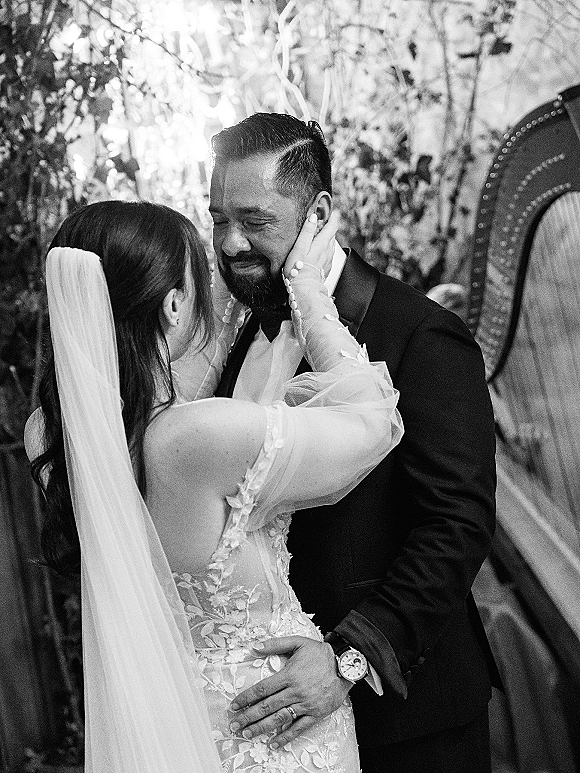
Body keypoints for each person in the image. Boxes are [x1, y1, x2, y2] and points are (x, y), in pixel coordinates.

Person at [24, 200, 403, 773]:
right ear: (174, 305)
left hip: (166, 730)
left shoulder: (52, 432)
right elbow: (372, 420)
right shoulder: (197, 438)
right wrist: (308, 292)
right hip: (276, 738)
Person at [189, 113, 500, 773]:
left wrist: (347, 659)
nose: (231, 242)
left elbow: (456, 525)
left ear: (319, 213)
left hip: (409, 726)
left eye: (254, 220)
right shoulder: (243, 333)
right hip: (279, 731)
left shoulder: (420, 336)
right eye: (218, 220)